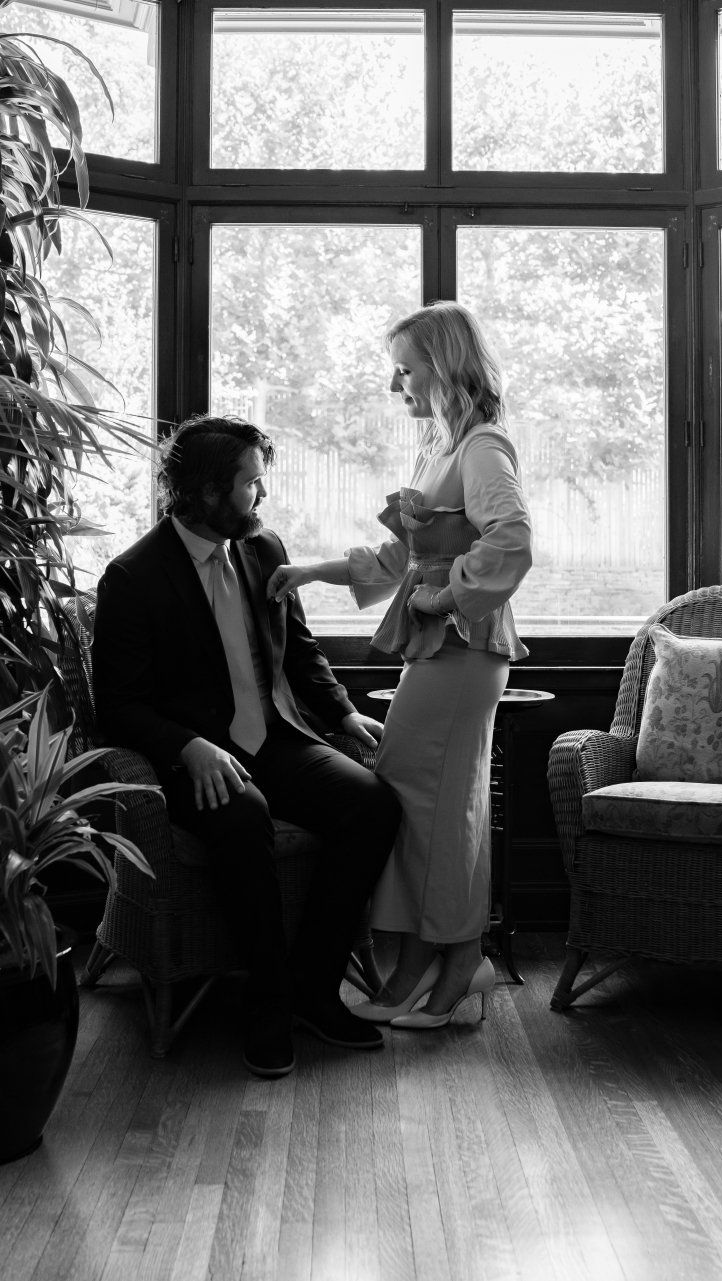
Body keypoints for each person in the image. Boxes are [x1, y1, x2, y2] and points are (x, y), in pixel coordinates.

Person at [91, 413, 403, 1079]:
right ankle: (266, 1004)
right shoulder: (133, 577)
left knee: (373, 804)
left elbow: (301, 650)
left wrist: (344, 713)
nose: (262, 494)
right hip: (195, 760)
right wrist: (188, 746)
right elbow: (117, 706)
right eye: (251, 483)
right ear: (208, 491)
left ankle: (313, 988)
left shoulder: (263, 548)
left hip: (277, 738)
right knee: (242, 815)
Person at [266, 301, 532, 1031]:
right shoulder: (439, 449)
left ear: (443, 368)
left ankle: (445, 963)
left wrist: (444, 597)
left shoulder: (482, 447)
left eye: (405, 370)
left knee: (429, 806)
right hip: (440, 652)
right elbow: (398, 559)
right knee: (432, 806)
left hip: (463, 653)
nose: (394, 385)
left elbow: (512, 541)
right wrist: (310, 571)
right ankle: (438, 959)